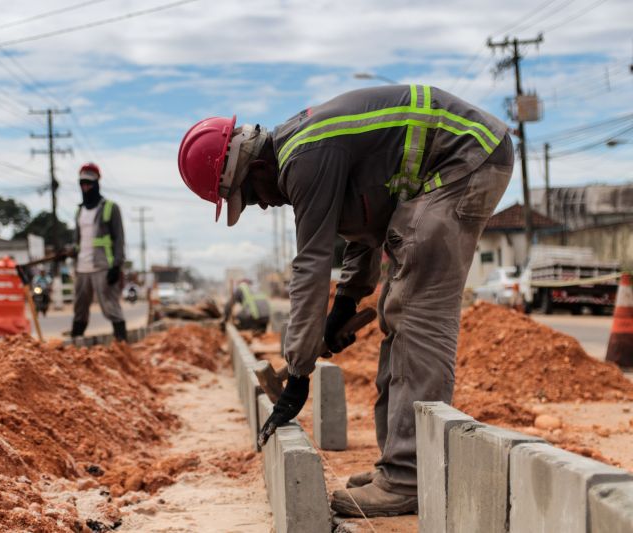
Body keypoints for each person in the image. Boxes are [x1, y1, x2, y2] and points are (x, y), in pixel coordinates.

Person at [177, 85, 513, 517]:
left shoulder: (304, 158)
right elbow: (366, 226)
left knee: (415, 313)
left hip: (467, 158)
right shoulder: (308, 150)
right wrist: (344, 306)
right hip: (449, 166)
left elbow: (311, 266)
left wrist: (297, 372)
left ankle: (409, 477)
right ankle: (397, 467)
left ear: (256, 166)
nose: (261, 206)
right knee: (397, 310)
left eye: (252, 195)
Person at [70, 162, 128, 342]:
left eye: (88, 183)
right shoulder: (79, 210)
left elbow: (119, 239)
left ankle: (122, 342)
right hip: (82, 267)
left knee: (110, 306)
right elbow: (78, 240)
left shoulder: (110, 208)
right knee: (80, 307)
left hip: (103, 265)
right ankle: (75, 341)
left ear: (96, 184)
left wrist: (117, 266)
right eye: (82, 184)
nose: (85, 187)